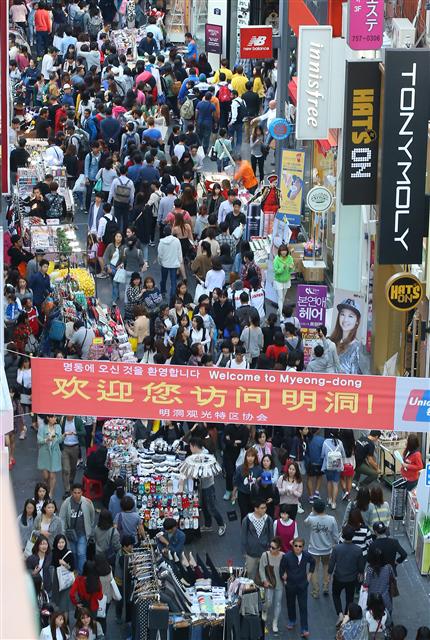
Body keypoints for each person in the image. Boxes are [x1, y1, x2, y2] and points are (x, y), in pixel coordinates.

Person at [328, 525, 365, 627]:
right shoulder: (358, 550)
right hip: (351, 579)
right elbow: (361, 566)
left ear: (343, 535)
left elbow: (332, 563)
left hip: (339, 577)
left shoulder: (337, 548)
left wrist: (329, 574)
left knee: (336, 595)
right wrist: (360, 574)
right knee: (349, 598)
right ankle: (345, 616)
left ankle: (339, 613)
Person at [189, 437, 226, 536]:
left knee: (211, 507)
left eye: (190, 446)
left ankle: (222, 524)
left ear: (194, 446)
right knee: (204, 506)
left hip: (208, 485)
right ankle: (208, 525)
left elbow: (209, 471)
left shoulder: (206, 456)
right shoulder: (196, 455)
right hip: (202, 485)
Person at [280, 537, 315, 637]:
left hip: (302, 585)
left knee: (303, 606)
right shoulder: (287, 557)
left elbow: (313, 562)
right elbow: (281, 569)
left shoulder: (306, 555)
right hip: (290, 585)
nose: (297, 548)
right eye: (296, 546)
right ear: (293, 546)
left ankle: (304, 628)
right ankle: (292, 620)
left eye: (300, 546)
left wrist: (309, 575)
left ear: (303, 547)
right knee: (290, 604)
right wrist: (284, 579)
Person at [304, 498, 339, 599]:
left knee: (314, 569)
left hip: (314, 549)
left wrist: (311, 513)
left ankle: (315, 590)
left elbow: (305, 522)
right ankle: (326, 586)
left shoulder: (312, 519)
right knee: (326, 567)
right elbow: (335, 535)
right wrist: (336, 543)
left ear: (314, 509)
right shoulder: (331, 519)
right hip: (327, 549)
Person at [59, 483, 96, 575]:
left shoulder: (87, 502)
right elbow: (62, 518)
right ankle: (74, 570)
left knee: (81, 553)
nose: (76, 495)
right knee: (74, 553)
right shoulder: (66, 503)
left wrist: (89, 528)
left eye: (79, 492)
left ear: (82, 493)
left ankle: (82, 574)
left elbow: (92, 515)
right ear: (71, 492)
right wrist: (63, 531)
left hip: (82, 533)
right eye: (74, 492)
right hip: (71, 534)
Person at [241, 500, 273, 580]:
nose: (264, 510)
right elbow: (243, 536)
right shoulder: (247, 520)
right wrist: (244, 551)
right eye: (262, 508)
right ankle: (251, 591)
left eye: (265, 508)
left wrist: (270, 550)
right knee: (250, 573)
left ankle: (261, 591)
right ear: (256, 508)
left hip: (264, 553)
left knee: (263, 575)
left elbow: (271, 536)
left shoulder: (268, 519)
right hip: (250, 553)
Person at [259, 536, 284, 634]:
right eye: (270, 546)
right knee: (268, 602)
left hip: (279, 584)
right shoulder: (265, 555)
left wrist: (286, 575)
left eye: (273, 548)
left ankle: (275, 622)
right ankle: (264, 610)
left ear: (279, 548)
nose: (270, 549)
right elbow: (261, 569)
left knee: (278, 603)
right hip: (269, 583)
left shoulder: (283, 556)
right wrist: (264, 580)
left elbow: (286, 568)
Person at [330, 298, 362, 374]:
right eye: (342, 314)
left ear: (357, 321)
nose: (345, 320)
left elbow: (356, 380)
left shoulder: (357, 348)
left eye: (350, 316)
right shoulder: (330, 342)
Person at [60, 415, 86, 499]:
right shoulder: (62, 420)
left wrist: (76, 433)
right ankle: (67, 490)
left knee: (73, 468)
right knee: (65, 469)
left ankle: (71, 482)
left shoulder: (78, 420)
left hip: (75, 447)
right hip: (65, 448)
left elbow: (84, 432)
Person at [232, 447, 262, 519]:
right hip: (243, 495)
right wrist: (233, 494)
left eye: (252, 456)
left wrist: (259, 479)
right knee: (244, 514)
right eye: (248, 456)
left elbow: (262, 484)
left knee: (253, 515)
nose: (250, 458)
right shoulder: (240, 468)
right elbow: (236, 482)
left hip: (254, 495)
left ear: (255, 457)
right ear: (245, 457)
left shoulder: (259, 469)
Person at [37, 415, 62, 496]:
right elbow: (39, 440)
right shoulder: (42, 427)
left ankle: (50, 493)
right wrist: (46, 439)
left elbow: (60, 440)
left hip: (54, 453)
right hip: (45, 453)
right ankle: (46, 487)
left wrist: (64, 436)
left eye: (55, 417)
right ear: (48, 418)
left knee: (52, 475)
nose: (55, 418)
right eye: (53, 417)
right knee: (46, 476)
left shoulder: (58, 427)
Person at [365, 546, 395, 614]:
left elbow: (367, 583)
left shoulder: (369, 569)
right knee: (387, 617)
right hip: (385, 599)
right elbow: (393, 578)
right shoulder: (388, 568)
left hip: (373, 600)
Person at [321, 430, 346, 510]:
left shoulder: (325, 442)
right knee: (335, 484)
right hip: (337, 466)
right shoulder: (340, 443)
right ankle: (334, 503)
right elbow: (343, 455)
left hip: (328, 466)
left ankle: (329, 498)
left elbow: (322, 455)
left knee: (329, 481)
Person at [157, 226, 183, 300]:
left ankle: (163, 292)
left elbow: (160, 254)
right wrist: (180, 263)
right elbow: (179, 253)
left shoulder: (162, 242)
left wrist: (160, 262)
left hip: (164, 264)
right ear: (171, 231)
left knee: (163, 279)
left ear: (164, 232)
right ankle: (173, 296)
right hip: (174, 264)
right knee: (173, 281)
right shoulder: (177, 241)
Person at [51, 534, 75, 611]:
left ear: (65, 543)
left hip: (65, 579)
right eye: (59, 542)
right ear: (55, 543)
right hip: (56, 579)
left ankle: (66, 621)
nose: (61, 544)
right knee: (57, 600)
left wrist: (64, 564)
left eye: (62, 542)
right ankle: (58, 619)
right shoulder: (53, 552)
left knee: (64, 602)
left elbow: (72, 568)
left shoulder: (69, 553)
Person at [305, 428, 325, 503]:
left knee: (309, 478)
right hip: (319, 462)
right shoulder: (321, 439)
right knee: (319, 476)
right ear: (318, 430)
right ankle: (316, 492)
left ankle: (311, 497)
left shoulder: (307, 439)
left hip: (310, 462)